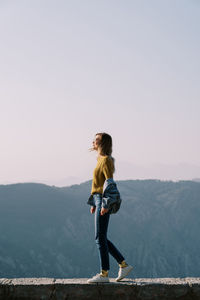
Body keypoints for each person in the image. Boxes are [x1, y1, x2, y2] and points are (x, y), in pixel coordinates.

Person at [87, 132, 133, 283]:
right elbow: (98, 184)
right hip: (98, 199)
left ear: (102, 143)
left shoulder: (106, 160)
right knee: (102, 237)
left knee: (99, 237)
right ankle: (123, 265)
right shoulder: (100, 159)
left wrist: (105, 204)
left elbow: (110, 183)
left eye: (96, 140)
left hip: (103, 200)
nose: (93, 142)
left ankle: (104, 274)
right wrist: (94, 202)